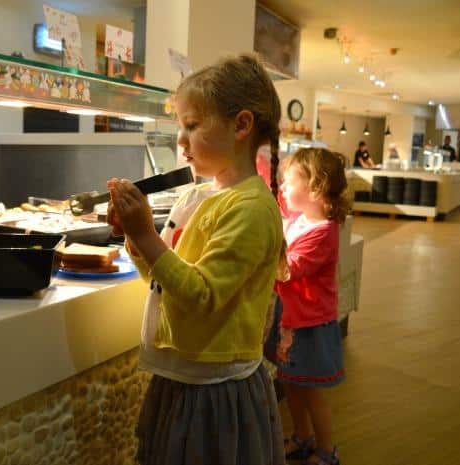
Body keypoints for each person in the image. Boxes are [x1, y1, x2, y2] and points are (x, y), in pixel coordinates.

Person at [107, 53, 286, 465]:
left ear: (241, 125)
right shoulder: (197, 196)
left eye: (192, 125)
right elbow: (165, 278)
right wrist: (136, 241)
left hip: (218, 388)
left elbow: (201, 295)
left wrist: (145, 234)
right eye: (179, 127)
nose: (181, 141)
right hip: (184, 374)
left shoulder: (252, 209)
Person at [264, 148, 349, 465]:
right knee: (292, 383)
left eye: (288, 182)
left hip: (310, 325)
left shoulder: (324, 232)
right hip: (290, 320)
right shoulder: (299, 220)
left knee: (312, 391)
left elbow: (288, 269)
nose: (282, 188)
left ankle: (327, 451)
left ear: (314, 187)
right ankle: (302, 437)